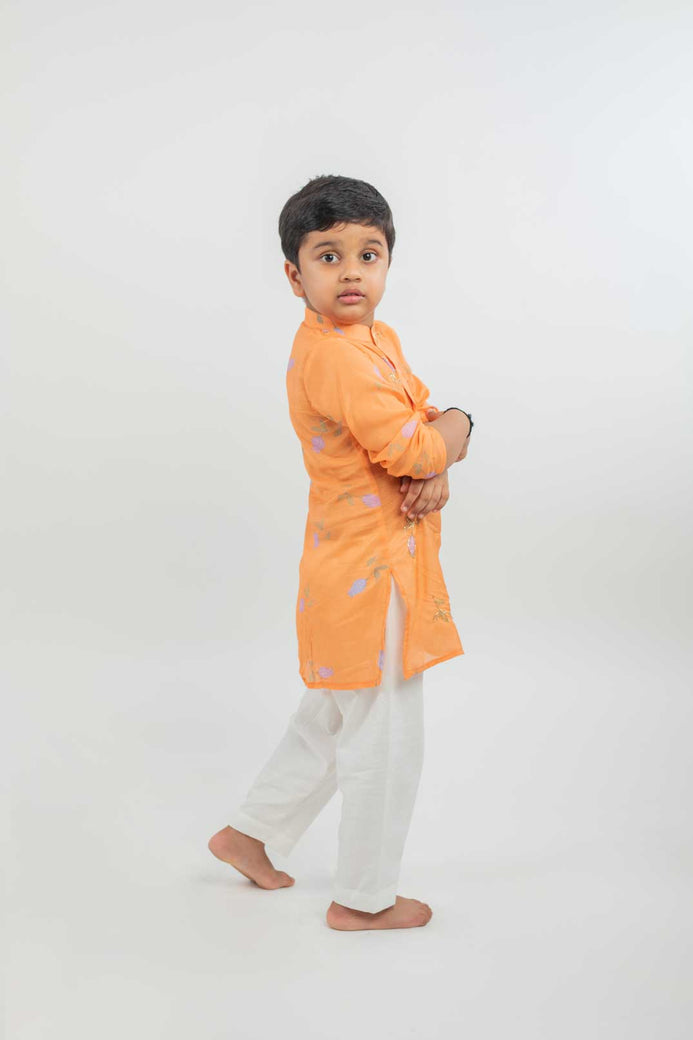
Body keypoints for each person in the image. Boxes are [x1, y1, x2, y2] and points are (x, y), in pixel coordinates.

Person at [208, 174, 473, 931]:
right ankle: (364, 898)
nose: (351, 271)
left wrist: (435, 449)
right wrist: (459, 428)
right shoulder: (338, 358)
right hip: (371, 576)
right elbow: (417, 444)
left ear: (387, 263)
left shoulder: (372, 340)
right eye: (329, 256)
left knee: (331, 717)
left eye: (368, 253)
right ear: (295, 276)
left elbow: (415, 425)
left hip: (358, 568)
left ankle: (251, 833)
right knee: (384, 741)